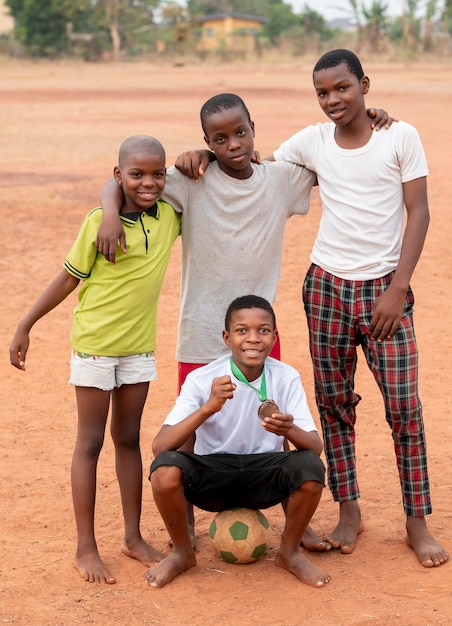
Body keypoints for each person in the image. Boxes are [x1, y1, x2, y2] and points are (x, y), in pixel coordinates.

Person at [96, 93, 391, 553]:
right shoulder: (191, 180)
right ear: (206, 143)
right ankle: (185, 531)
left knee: (274, 420)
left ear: (253, 127)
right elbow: (125, 182)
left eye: (240, 132)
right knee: (191, 429)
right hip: (199, 331)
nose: (233, 144)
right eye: (219, 138)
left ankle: (299, 518)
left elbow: (333, 155)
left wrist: (367, 118)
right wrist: (111, 214)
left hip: (257, 336)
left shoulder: (280, 180)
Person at [267, 49, 448, 568]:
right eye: (322, 92)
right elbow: (258, 163)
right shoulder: (313, 141)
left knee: (404, 409)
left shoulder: (399, 136)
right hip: (325, 287)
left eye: (342, 88)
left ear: (364, 84)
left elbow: (420, 212)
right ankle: (350, 509)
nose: (332, 100)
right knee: (334, 403)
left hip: (386, 291)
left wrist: (398, 288)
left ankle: (417, 521)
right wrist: (204, 156)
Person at [9, 135, 181, 584]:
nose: (149, 183)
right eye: (137, 174)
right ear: (118, 174)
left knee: (128, 438)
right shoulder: (97, 224)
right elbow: (67, 279)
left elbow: (190, 176)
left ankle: (132, 536)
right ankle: (85, 547)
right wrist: (26, 324)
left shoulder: (168, 218)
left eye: (157, 174)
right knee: (90, 443)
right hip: (95, 347)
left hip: (139, 349)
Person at [145, 294, 328, 588]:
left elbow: (315, 447)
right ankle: (182, 553)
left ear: (274, 336)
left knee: (309, 466)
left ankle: (289, 552)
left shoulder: (286, 377)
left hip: (264, 476)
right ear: (227, 337)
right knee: (164, 468)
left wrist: (287, 429)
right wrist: (207, 408)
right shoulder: (202, 379)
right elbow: (160, 446)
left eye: (263, 330)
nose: (253, 339)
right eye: (242, 331)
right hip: (211, 474)